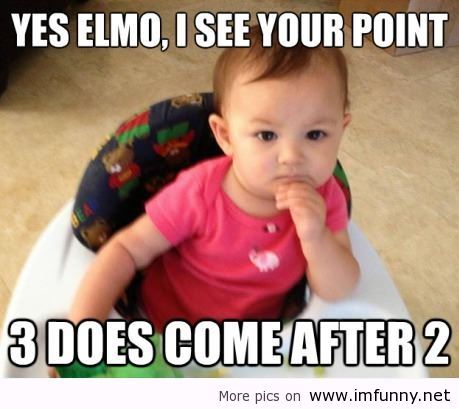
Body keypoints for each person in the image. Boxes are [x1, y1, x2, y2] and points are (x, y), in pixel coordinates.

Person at [68, 25, 360, 333]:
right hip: (163, 327)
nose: (291, 156)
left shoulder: (325, 197)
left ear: (341, 130)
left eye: (315, 134)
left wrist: (316, 237)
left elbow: (338, 290)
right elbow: (126, 251)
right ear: (225, 136)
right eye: (266, 135)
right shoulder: (198, 192)